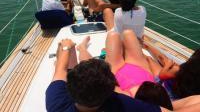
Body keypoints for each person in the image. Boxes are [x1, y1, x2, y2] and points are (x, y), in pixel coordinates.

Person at [46, 37, 200, 112]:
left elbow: (60, 69)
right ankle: (82, 49)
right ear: (111, 89)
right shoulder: (122, 104)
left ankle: (81, 49)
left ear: (69, 86)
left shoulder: (57, 102)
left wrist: (66, 47)